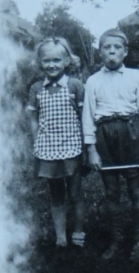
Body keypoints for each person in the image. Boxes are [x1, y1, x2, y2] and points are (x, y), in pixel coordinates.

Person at [82, 29, 139, 261]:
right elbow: (88, 117)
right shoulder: (93, 81)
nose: (112, 52)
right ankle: (116, 239)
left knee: (135, 191)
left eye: (117, 48)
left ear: (125, 52)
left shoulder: (135, 78)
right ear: (100, 52)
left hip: (130, 136)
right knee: (111, 192)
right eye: (106, 48)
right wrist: (91, 150)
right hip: (104, 138)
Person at [27, 37, 85, 248]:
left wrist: (86, 145)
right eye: (46, 61)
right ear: (40, 62)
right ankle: (61, 236)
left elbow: (82, 117)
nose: (51, 65)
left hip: (72, 147)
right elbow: (33, 119)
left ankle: (78, 233)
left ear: (67, 61)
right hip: (48, 149)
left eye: (56, 60)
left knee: (75, 193)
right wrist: (37, 143)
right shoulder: (36, 89)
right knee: (56, 195)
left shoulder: (75, 85)